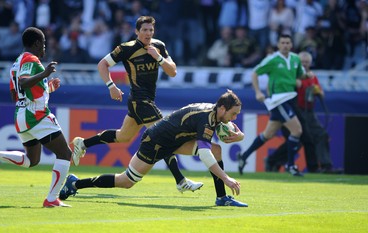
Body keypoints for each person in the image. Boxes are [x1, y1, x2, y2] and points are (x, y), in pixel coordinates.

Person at [70, 16, 203, 193]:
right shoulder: (126, 49)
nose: (148, 33)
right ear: (137, 31)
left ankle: (83, 143)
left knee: (123, 136)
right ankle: (181, 181)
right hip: (139, 100)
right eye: (145, 30)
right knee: (163, 136)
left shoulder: (159, 46)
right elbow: (102, 64)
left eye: (151, 30)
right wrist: (111, 86)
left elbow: (173, 72)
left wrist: (159, 59)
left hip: (146, 101)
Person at [60, 90, 248, 207]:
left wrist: (240, 136)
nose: (234, 118)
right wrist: (226, 178)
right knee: (126, 181)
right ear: (222, 108)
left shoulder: (214, 113)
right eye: (233, 114)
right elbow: (205, 156)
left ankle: (222, 198)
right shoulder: (206, 118)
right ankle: (75, 183)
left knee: (217, 150)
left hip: (174, 142)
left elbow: (214, 145)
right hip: (155, 142)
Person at [0, 27, 72, 207]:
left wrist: (48, 88)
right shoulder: (30, 59)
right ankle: (51, 199)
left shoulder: (16, 63)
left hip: (21, 115)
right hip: (36, 115)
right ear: (36, 43)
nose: (44, 48)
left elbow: (15, 94)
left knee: (32, 161)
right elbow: (24, 83)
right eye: (44, 44)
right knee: (65, 154)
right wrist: (45, 73)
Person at [237, 34, 306, 177]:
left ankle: (243, 157)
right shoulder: (273, 59)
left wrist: (305, 77)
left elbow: (300, 74)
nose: (286, 45)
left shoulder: (295, 59)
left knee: (267, 134)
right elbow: (255, 72)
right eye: (283, 42)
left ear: (291, 44)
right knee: (297, 130)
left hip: (289, 99)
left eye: (288, 42)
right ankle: (291, 166)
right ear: (278, 45)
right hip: (279, 100)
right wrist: (257, 92)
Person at [265, 51, 334, 173]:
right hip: (294, 110)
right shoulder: (292, 75)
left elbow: (322, 93)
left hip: (309, 112)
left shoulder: (312, 77)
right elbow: (291, 85)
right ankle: (274, 161)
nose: (305, 64)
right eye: (302, 62)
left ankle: (322, 165)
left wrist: (317, 91)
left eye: (307, 62)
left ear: (310, 63)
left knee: (315, 136)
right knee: (299, 139)